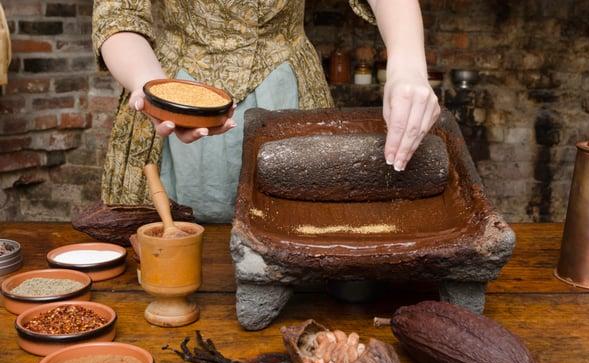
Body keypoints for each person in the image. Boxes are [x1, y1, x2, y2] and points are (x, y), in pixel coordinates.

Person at [93, 0, 440, 222]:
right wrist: (157, 93)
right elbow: (118, 16)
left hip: (288, 96)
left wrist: (408, 65)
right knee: (164, 259)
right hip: (172, 94)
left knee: (296, 246)